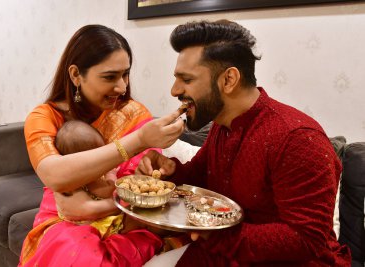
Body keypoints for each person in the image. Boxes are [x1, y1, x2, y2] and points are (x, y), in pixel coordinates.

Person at [136, 20, 351, 266]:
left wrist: (213, 232)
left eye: (186, 79)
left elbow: (305, 240)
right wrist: (171, 171)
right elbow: (202, 176)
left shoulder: (297, 138)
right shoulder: (222, 123)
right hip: (225, 254)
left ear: (229, 80)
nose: (174, 90)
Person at [19, 24, 185, 267]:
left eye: (125, 74)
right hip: (64, 220)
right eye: (110, 77)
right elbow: (54, 174)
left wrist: (154, 166)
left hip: (125, 218)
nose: (122, 87)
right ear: (76, 75)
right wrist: (137, 141)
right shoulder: (45, 117)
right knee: (76, 253)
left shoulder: (134, 114)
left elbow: (141, 188)